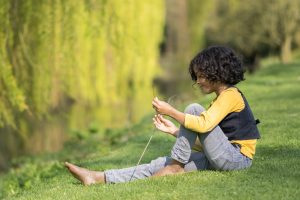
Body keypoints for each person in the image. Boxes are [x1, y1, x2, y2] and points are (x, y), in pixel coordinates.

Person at [65, 45, 260, 185]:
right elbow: (209, 142)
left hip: (237, 159)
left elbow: (203, 124)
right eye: (197, 77)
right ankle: (99, 177)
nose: (198, 81)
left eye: (201, 75)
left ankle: (175, 166)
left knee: (193, 109)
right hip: (223, 157)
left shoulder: (231, 96)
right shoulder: (219, 99)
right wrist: (175, 131)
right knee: (160, 164)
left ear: (217, 72)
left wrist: (171, 112)